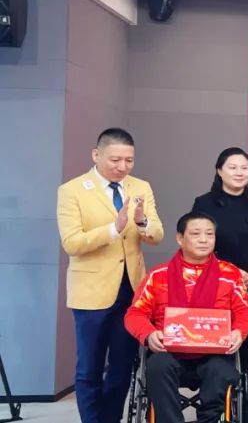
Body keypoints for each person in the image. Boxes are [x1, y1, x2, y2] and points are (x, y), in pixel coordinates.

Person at [57, 127, 164, 423]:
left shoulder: (141, 187)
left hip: (131, 292)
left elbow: (157, 234)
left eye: (129, 160)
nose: (122, 167)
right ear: (96, 155)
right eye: (115, 160)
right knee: (89, 369)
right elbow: (71, 243)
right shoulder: (72, 190)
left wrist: (142, 222)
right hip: (91, 292)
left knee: (121, 367)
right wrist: (112, 229)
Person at [123, 212, 248, 423]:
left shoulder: (229, 274)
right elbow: (135, 313)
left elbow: (245, 311)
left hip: (214, 354)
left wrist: (239, 331)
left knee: (221, 370)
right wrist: (148, 334)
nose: (204, 240)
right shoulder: (158, 275)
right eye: (195, 234)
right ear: (180, 238)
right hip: (169, 353)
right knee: (157, 366)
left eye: (209, 234)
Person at [191, 147, 248, 415]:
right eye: (233, 167)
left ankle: (239, 411)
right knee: (217, 354)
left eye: (244, 168)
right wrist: (229, 271)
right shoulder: (204, 204)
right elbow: (197, 244)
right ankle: (213, 411)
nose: (239, 173)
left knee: (247, 357)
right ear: (219, 171)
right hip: (216, 292)